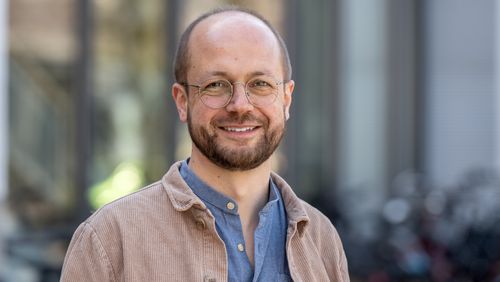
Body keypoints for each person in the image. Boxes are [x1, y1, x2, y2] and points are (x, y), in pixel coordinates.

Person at [61, 6, 349, 282]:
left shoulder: (321, 239)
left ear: (286, 99)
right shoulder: (111, 238)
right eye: (216, 85)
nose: (240, 106)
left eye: (260, 84)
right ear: (182, 101)